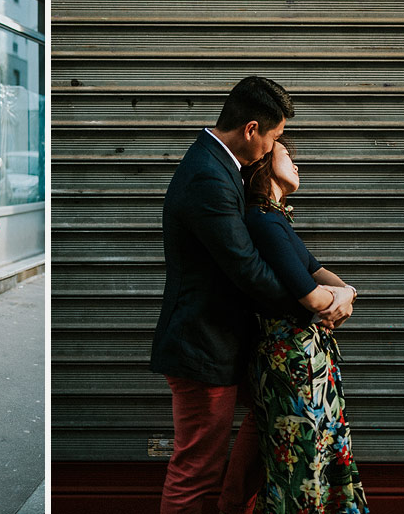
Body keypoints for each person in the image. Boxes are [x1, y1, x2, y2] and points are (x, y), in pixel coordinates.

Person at [149, 76, 355, 514]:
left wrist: (326, 294)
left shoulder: (223, 168)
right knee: (196, 470)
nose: (274, 148)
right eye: (274, 137)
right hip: (203, 347)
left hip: (231, 344)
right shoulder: (207, 176)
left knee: (265, 434)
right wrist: (313, 303)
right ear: (251, 129)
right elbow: (248, 269)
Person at [242, 139, 368, 513]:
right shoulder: (262, 222)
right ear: (264, 163)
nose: (297, 165)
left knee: (320, 452)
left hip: (305, 359)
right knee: (301, 460)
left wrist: (346, 293)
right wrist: (339, 297)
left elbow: (322, 275)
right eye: (288, 156)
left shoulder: (277, 222)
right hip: (289, 363)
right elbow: (310, 295)